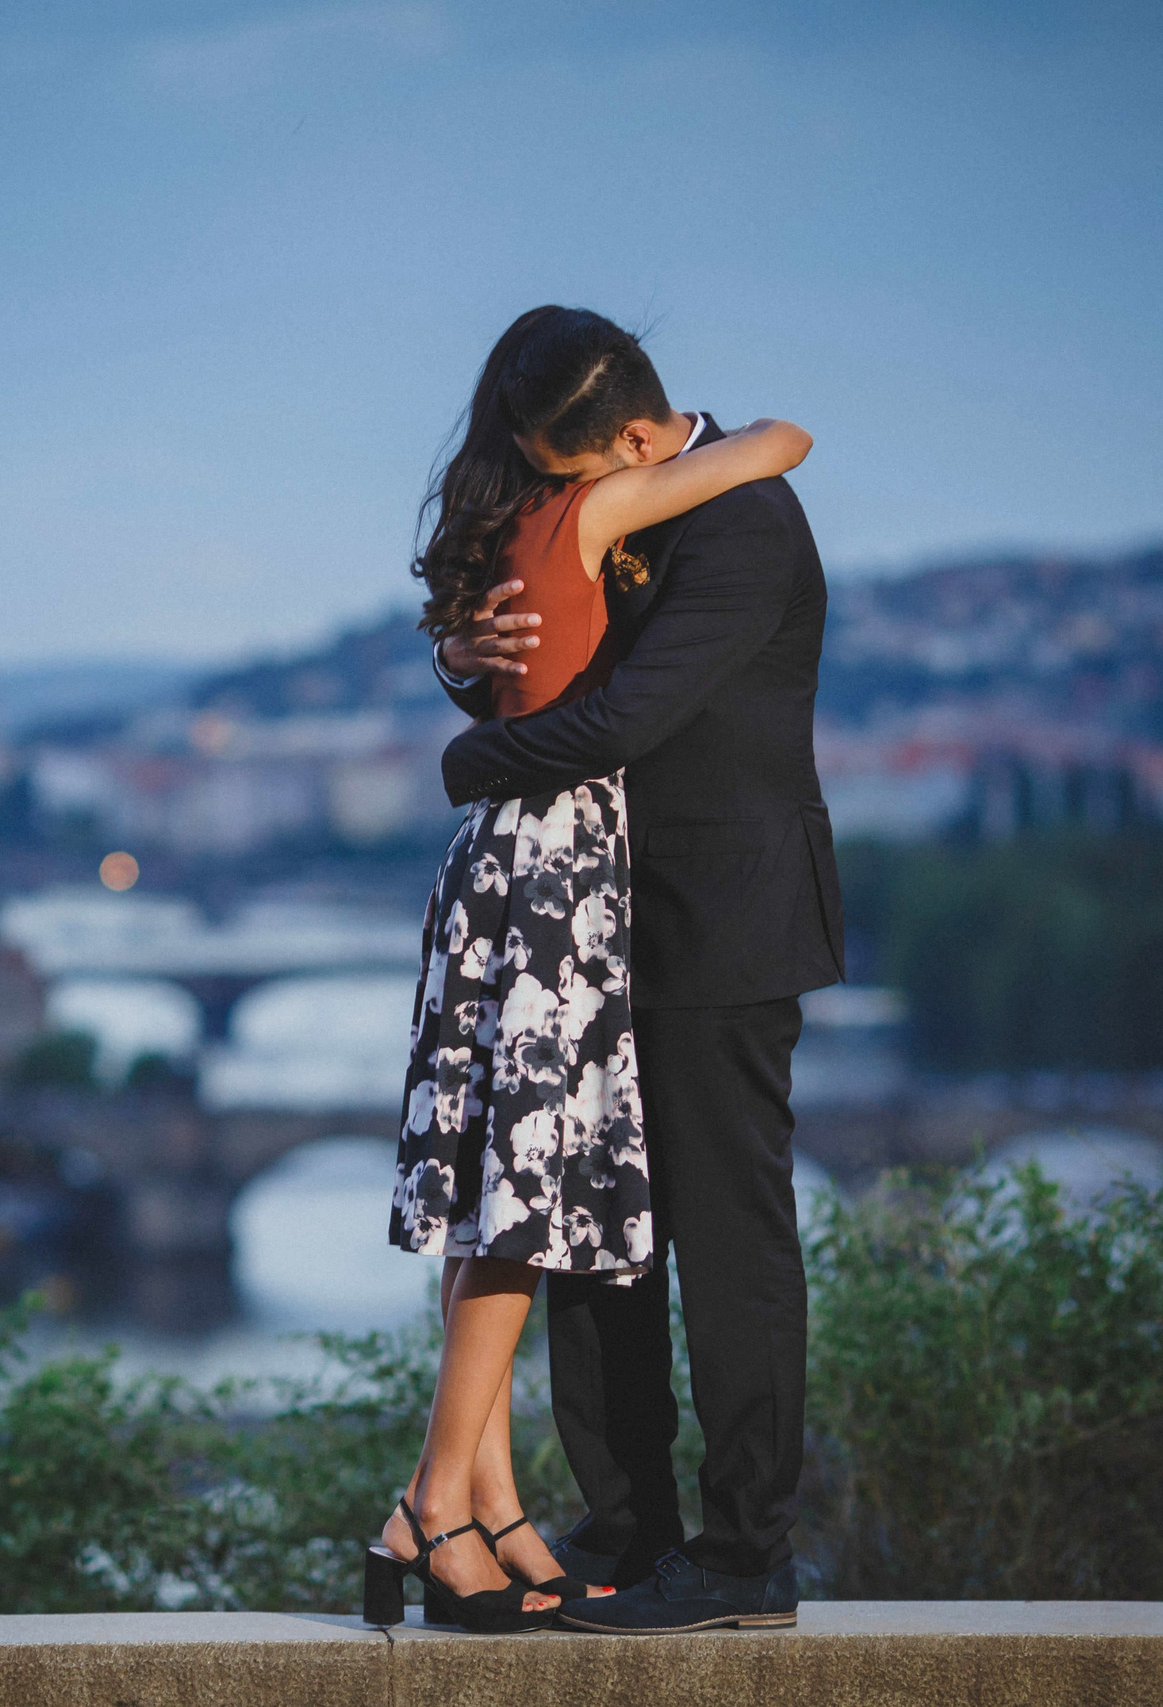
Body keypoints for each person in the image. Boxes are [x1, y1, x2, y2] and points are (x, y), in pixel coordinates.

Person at [365, 305, 813, 1634]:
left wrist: (464, 766)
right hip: (596, 913)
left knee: (729, 1240)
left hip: (720, 921)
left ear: (629, 437)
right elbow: (540, 651)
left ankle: (742, 1557)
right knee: (594, 1234)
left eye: (570, 472)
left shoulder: (745, 526)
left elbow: (622, 717)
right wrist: (466, 665)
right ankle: (627, 1529)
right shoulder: (597, 505)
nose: (563, 495)